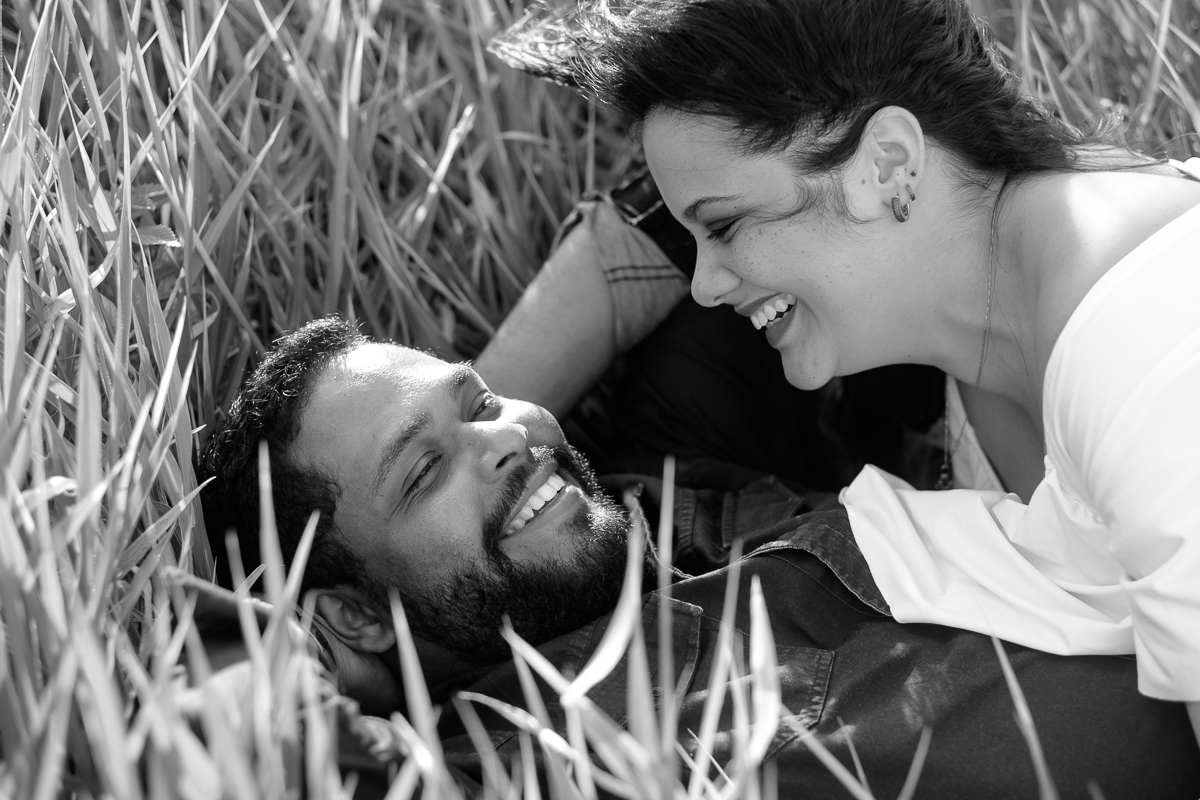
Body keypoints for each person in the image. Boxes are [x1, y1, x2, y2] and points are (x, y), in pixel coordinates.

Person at [496, 0, 1200, 741]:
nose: (703, 285)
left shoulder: (1147, 336)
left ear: (888, 162)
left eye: (725, 226)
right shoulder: (980, 326)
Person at [196, 311, 1200, 798]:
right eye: (421, 475)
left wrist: (478, 434)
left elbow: (751, 155)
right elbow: (209, 722)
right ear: (356, 613)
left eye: (483, 399)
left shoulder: (672, 474)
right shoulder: (504, 769)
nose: (504, 436)